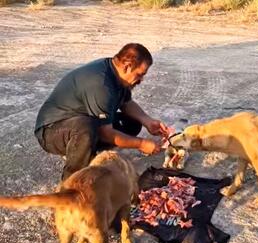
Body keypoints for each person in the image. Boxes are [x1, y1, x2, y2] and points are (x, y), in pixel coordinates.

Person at [34, 43, 169, 180]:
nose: (141, 80)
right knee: (86, 127)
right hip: (51, 131)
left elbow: (126, 103)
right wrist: (141, 144)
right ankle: (71, 182)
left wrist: (148, 121)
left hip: (82, 120)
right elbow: (106, 132)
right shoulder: (101, 84)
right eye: (140, 74)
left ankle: (88, 151)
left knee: (132, 122)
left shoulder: (117, 73)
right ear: (127, 66)